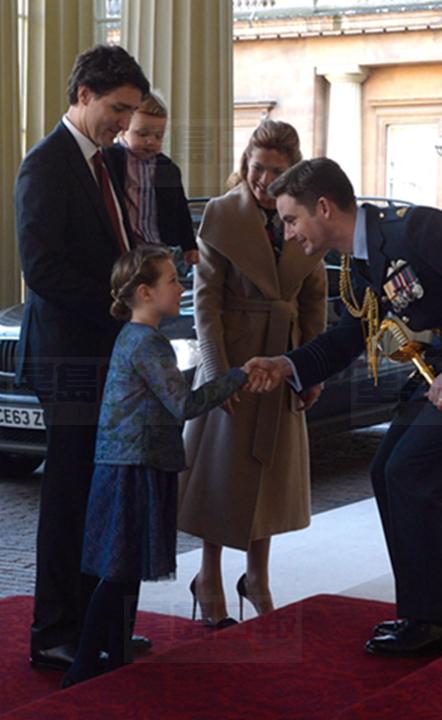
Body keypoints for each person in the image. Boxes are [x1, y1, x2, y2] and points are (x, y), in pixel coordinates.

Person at [245, 157, 442, 656]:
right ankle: (438, 614)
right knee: (386, 470)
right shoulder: (363, 259)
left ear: (323, 207)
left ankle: (434, 621)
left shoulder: (421, 230)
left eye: (290, 219)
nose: (287, 234)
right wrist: (288, 366)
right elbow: (351, 335)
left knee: (412, 474)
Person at [61, 245, 256, 687]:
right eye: (172, 280)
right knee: (118, 571)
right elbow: (183, 404)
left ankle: (112, 658)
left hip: (128, 461)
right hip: (135, 465)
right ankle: (85, 665)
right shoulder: (148, 342)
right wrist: (236, 376)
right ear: (145, 292)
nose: (180, 286)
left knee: (123, 568)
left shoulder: (134, 338)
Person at [14, 45, 151, 671]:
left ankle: (96, 624)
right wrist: (120, 308)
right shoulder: (45, 166)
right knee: (69, 498)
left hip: (106, 356)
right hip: (69, 358)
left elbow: (110, 251)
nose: (123, 123)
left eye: (131, 112)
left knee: (103, 494)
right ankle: (53, 633)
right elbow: (42, 270)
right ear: (84, 96)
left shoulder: (103, 163)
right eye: (117, 109)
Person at [177, 121, 327, 626]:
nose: (262, 178)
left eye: (275, 170)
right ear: (245, 162)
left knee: (267, 480)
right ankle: (209, 577)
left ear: (294, 173)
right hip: (234, 362)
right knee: (222, 479)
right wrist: (218, 373)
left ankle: (258, 578)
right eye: (255, 166)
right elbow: (205, 303)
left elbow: (313, 300)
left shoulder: (302, 218)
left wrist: (312, 369)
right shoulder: (222, 214)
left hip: (283, 363)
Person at [105, 91, 200, 266]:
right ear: (123, 130)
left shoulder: (167, 168)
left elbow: (180, 208)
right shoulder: (110, 158)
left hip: (159, 246)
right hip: (125, 248)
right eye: (142, 134)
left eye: (158, 136)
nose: (150, 141)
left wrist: (189, 245)